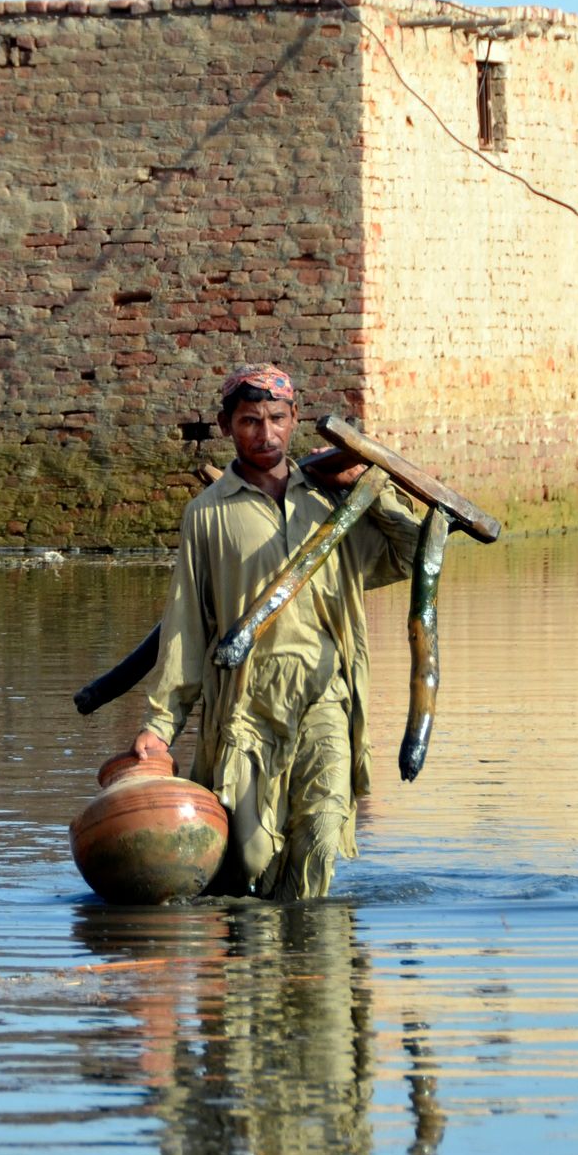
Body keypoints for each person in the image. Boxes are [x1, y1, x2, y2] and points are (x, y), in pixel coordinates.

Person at [129, 364, 420, 900]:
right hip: (245, 701)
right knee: (252, 857)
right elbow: (186, 627)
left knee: (320, 833)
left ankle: (318, 972)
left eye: (277, 419)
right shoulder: (208, 515)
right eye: (250, 421)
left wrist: (374, 490)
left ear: (295, 421)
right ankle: (257, 969)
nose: (265, 434)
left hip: (326, 691)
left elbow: (409, 557)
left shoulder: (330, 503)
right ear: (226, 427)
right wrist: (160, 725)